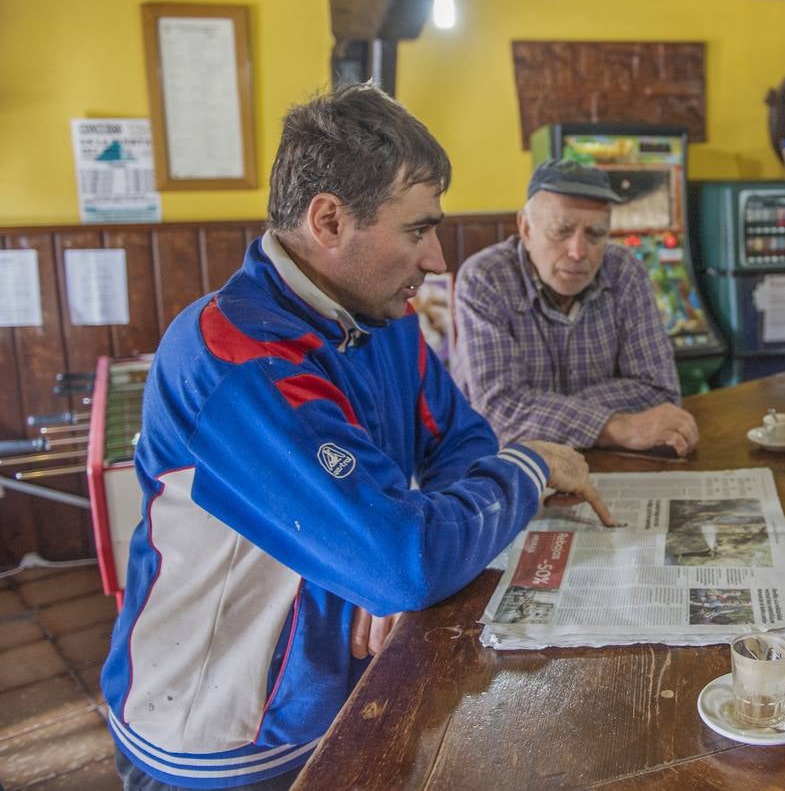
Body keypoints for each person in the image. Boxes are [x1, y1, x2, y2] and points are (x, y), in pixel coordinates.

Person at [101, 85, 611, 790]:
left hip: (341, 695)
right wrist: (523, 470)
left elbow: (459, 442)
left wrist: (391, 562)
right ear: (330, 220)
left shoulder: (379, 315)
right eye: (416, 230)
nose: (435, 258)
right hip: (222, 738)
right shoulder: (238, 356)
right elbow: (405, 557)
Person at [451, 158, 699, 456]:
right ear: (526, 228)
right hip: (501, 466)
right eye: (561, 230)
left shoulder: (625, 272)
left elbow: (660, 392)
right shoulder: (485, 278)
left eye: (595, 234)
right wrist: (617, 427)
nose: (578, 251)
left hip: (599, 464)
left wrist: (542, 407)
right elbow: (499, 413)